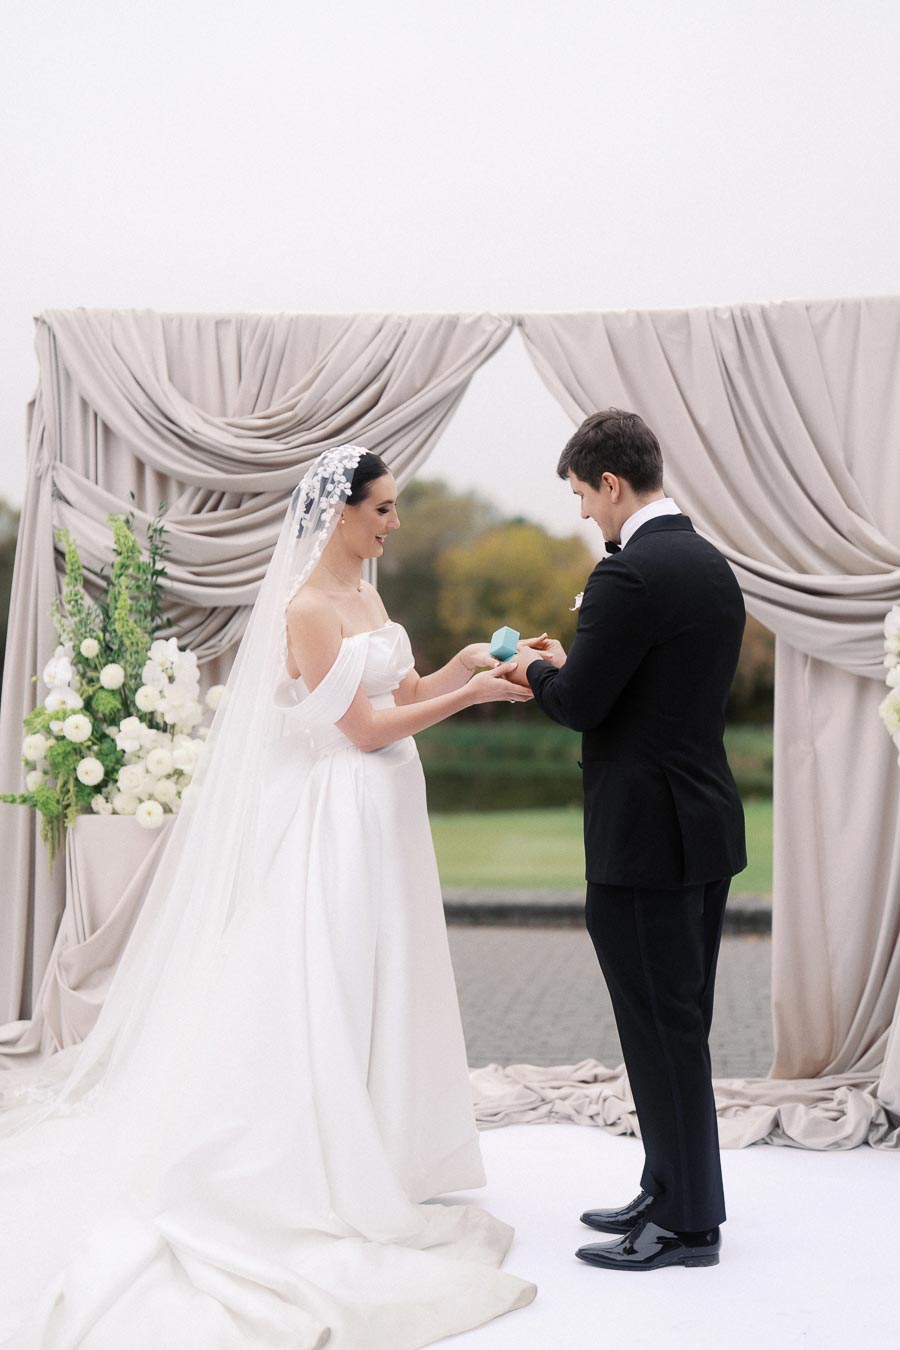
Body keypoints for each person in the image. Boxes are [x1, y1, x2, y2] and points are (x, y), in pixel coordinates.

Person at [0, 445, 536, 1348]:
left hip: (390, 815)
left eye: (395, 507)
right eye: (384, 509)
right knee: (327, 981)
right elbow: (362, 729)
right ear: (339, 513)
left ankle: (384, 1140)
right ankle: (316, 1160)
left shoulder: (366, 591)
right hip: (343, 814)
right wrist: (474, 698)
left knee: (383, 974)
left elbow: (401, 689)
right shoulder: (308, 609)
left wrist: (467, 666)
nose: (393, 522)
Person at [513, 408, 747, 1272]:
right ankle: (668, 1185)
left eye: (582, 494)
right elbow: (654, 693)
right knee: (677, 1024)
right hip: (704, 826)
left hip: (644, 838)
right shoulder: (710, 563)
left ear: (612, 483)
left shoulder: (630, 576)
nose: (583, 514)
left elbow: (581, 707)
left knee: (660, 1028)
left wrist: (534, 670)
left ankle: (689, 1227)